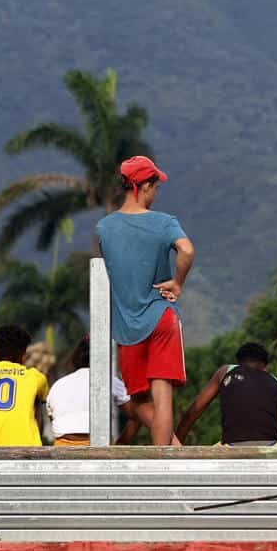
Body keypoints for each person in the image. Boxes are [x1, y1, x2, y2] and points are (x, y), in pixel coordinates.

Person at [93, 154, 195, 446]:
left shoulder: (104, 228)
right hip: (161, 317)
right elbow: (187, 251)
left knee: (137, 401)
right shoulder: (164, 223)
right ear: (145, 186)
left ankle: (169, 452)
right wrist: (177, 283)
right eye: (155, 185)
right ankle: (167, 458)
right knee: (162, 397)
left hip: (126, 327)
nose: (156, 192)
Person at [176, 341, 277, 446]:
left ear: (238, 363)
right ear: (265, 367)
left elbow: (192, 414)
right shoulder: (276, 382)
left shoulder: (226, 371)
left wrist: (176, 447)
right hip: (274, 445)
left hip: (233, 445)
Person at [47, 336, 130, 446]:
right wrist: (121, 443)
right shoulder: (108, 380)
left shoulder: (58, 385)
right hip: (100, 446)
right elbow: (136, 415)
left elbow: (54, 419)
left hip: (64, 446)